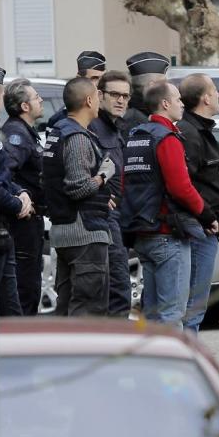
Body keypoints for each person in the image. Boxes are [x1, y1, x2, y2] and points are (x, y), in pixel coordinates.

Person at [119, 82, 218, 327]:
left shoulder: (136, 138)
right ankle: (172, 365)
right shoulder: (167, 138)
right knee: (172, 315)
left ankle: (152, 363)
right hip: (167, 236)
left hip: (141, 234)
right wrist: (207, 215)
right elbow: (180, 188)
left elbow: (124, 184)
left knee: (152, 316)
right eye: (177, 99)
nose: (182, 103)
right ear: (165, 104)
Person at [42, 77, 116, 316]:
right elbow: (77, 187)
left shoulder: (57, 133)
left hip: (64, 234)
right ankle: (84, 355)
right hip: (83, 234)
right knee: (89, 312)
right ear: (88, 100)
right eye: (97, 96)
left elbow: (53, 182)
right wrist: (104, 176)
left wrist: (103, 197)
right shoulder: (77, 138)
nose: (99, 101)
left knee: (67, 310)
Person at [177, 74, 219, 331]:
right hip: (200, 230)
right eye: (215, 90)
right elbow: (184, 183)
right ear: (205, 98)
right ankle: (186, 362)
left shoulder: (200, 131)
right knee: (193, 306)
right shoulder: (190, 134)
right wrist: (207, 217)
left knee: (195, 305)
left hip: (206, 229)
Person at [0, 64, 32, 317]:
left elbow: (4, 177)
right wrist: (18, 205)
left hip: (2, 233)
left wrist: (21, 193)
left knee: (11, 312)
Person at [1, 79, 46, 315]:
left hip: (31, 224)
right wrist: (22, 195)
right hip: (22, 223)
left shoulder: (26, 133)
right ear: (24, 106)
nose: (40, 100)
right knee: (24, 290)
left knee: (30, 287)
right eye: (36, 97)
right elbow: (3, 175)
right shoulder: (16, 135)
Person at [90, 70, 133, 317]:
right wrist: (103, 199)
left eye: (125, 96)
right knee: (116, 288)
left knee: (117, 288)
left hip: (115, 217)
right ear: (100, 95)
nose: (120, 100)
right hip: (101, 217)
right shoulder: (94, 127)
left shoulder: (116, 128)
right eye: (115, 94)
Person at [48, 50, 107, 128]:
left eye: (102, 78)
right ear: (79, 78)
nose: (99, 83)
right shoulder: (61, 119)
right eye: (94, 78)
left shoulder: (108, 115)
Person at [123, 51, 170, 129]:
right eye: (163, 83)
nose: (167, 86)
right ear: (152, 86)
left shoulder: (143, 112)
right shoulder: (135, 120)